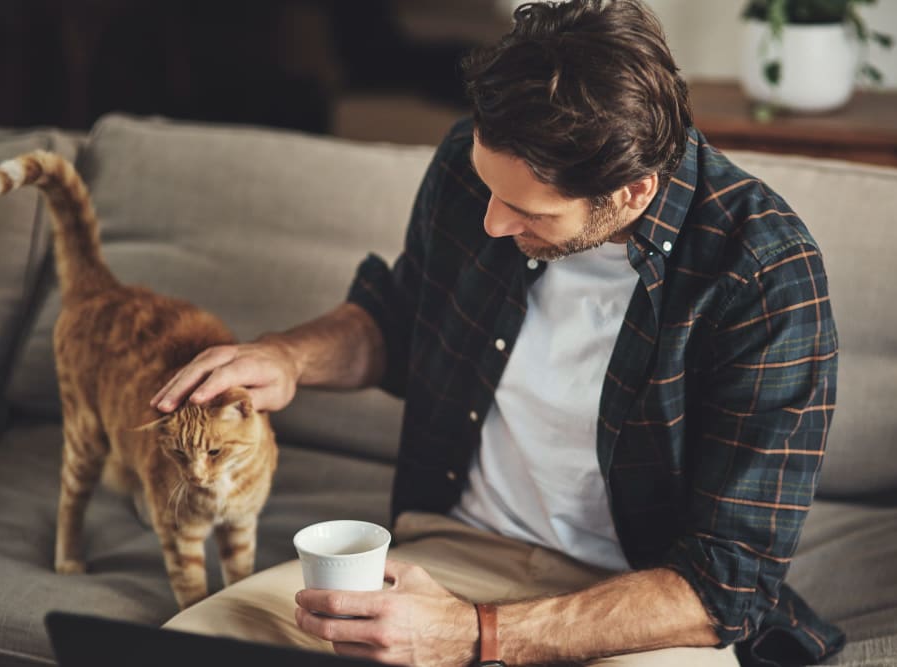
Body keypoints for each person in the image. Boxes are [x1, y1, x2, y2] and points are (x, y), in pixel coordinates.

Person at [152, 1, 845, 665]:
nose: (491, 223)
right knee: (190, 648)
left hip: (641, 599)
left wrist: (475, 635)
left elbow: (723, 585)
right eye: (489, 189)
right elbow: (400, 315)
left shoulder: (763, 273)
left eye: (527, 210)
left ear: (631, 191)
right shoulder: (468, 162)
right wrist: (287, 358)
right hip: (447, 550)